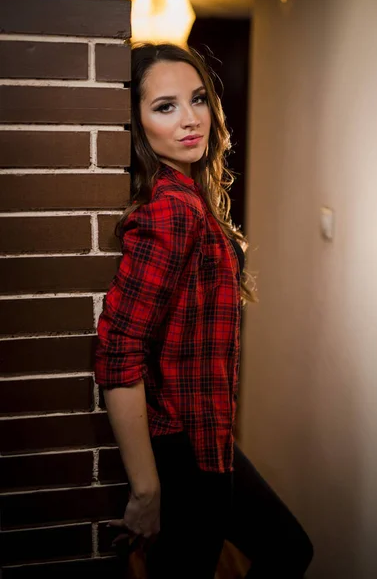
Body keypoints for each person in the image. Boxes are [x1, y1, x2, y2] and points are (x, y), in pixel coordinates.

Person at [95, 42, 313, 579]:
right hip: (182, 452)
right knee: (285, 550)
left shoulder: (187, 196)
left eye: (197, 99)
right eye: (165, 106)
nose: (192, 120)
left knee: (287, 547)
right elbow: (118, 350)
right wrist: (147, 489)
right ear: (136, 122)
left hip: (206, 439)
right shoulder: (170, 211)